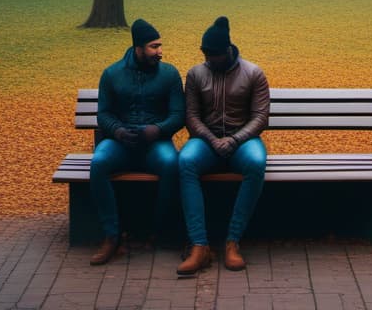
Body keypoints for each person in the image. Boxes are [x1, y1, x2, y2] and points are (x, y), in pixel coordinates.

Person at [176, 16, 269, 276]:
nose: (209, 60)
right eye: (205, 54)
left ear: (228, 50)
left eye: (213, 55)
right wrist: (211, 139)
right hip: (207, 141)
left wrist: (235, 139)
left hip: (244, 140)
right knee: (186, 161)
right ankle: (199, 245)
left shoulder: (253, 73)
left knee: (256, 162)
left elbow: (261, 116)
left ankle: (232, 241)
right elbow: (191, 115)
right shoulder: (196, 74)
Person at [89, 18, 184, 266]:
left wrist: (158, 130)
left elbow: (178, 114)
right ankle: (111, 235)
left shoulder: (170, 74)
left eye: (160, 46)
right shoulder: (112, 74)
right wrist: (118, 131)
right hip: (121, 142)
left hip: (155, 143)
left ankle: (160, 230)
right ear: (138, 48)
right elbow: (104, 114)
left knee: (172, 163)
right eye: (154, 46)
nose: (160, 52)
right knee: (98, 163)